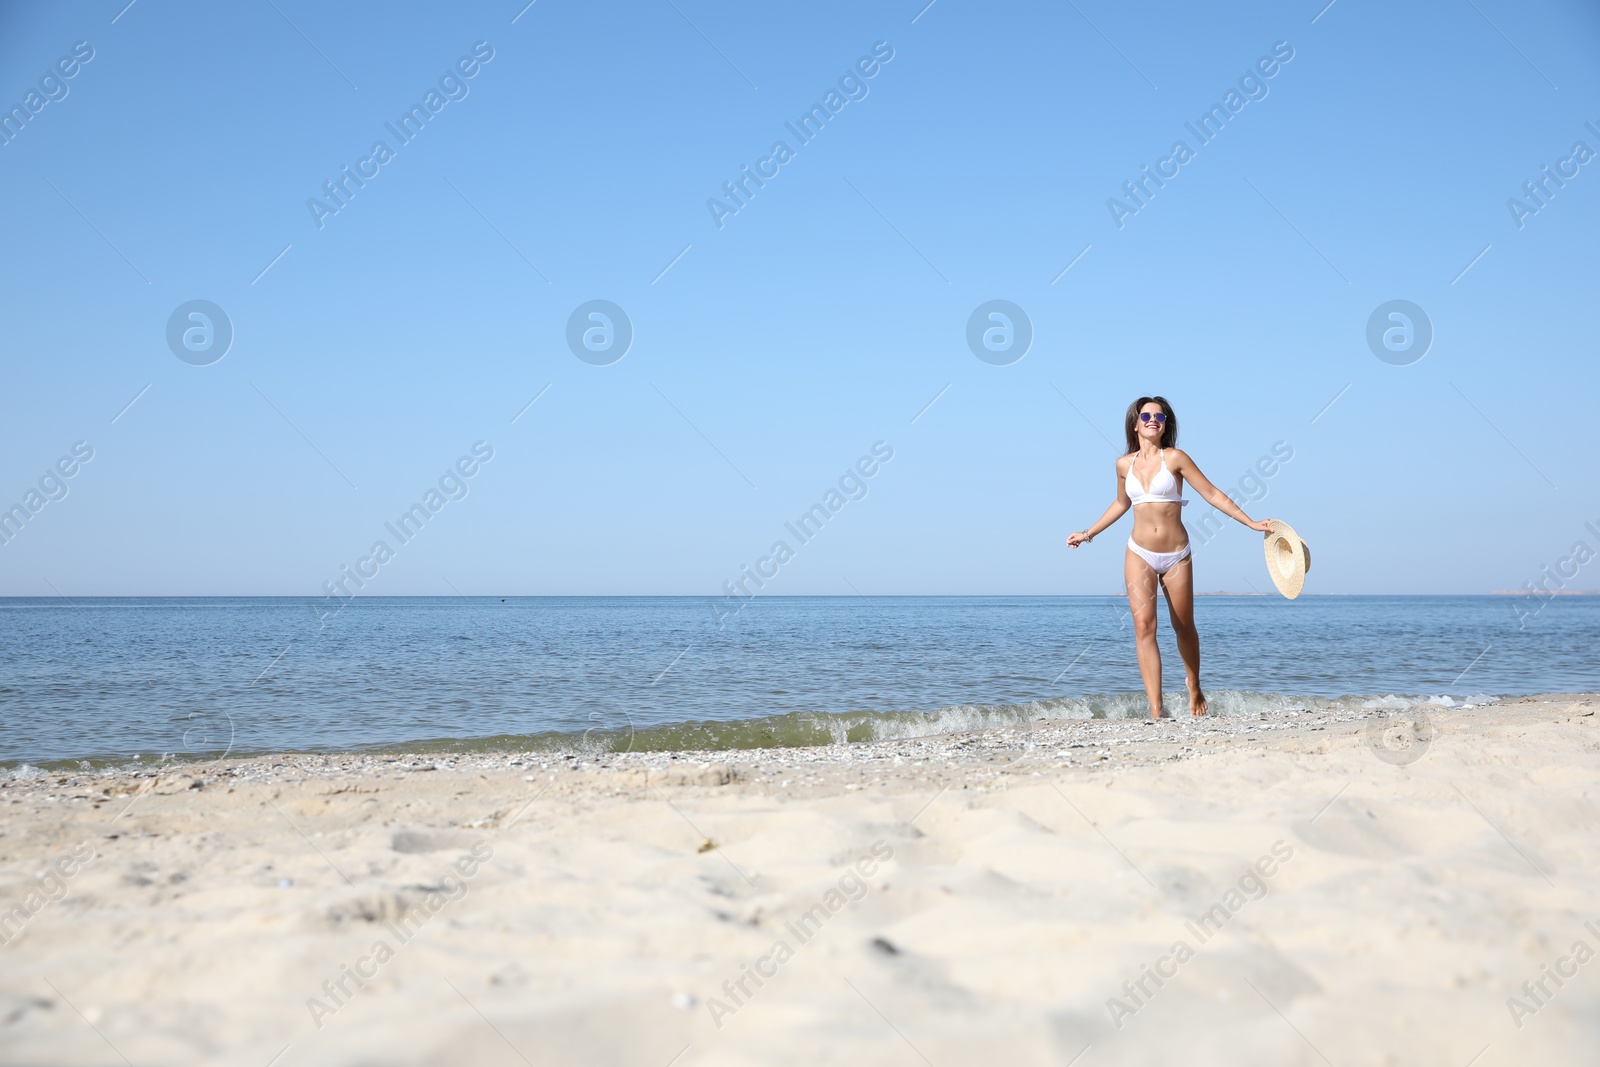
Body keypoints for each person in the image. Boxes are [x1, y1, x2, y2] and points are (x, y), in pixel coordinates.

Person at [1066, 397, 1273, 719]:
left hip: (1177, 554)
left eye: (1159, 416)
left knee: (1183, 626)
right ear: (1134, 423)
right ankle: (1156, 708)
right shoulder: (1123, 464)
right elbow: (1121, 504)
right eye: (1146, 415)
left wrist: (1251, 523)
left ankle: (1194, 685)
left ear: (1165, 424)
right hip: (1139, 552)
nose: (1153, 420)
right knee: (1144, 627)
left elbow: (1212, 493)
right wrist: (1088, 533)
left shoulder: (1175, 457)